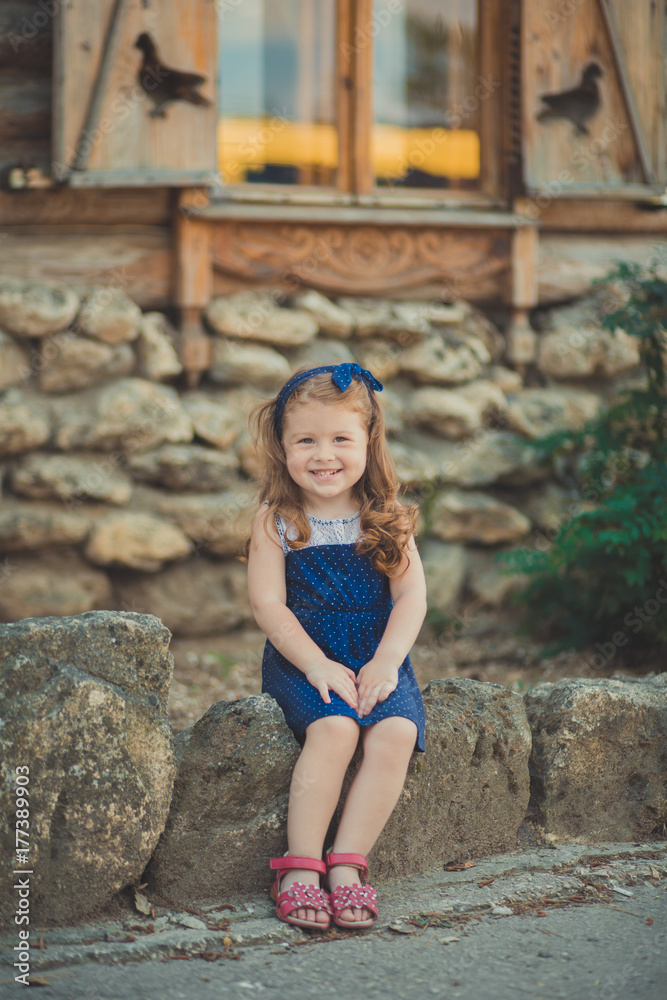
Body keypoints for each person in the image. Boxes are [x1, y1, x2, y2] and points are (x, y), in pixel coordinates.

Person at [246, 362, 427, 932]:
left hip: (376, 656)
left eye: (341, 439)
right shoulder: (277, 520)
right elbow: (269, 606)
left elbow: (411, 598)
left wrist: (388, 662)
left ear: (368, 443)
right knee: (336, 729)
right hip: (305, 659)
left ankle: (347, 864)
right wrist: (315, 663)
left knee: (396, 731)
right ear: (282, 446)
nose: (324, 455)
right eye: (306, 440)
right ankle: (300, 868)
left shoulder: (387, 519)